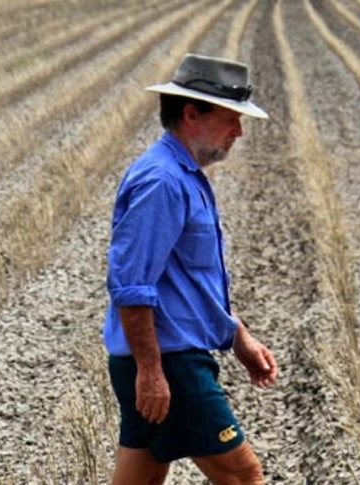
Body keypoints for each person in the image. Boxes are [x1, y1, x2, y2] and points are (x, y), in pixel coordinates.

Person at [103, 53, 278, 484]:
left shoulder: (183, 175)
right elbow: (131, 284)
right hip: (172, 363)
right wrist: (152, 371)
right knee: (244, 476)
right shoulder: (162, 182)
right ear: (191, 113)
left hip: (165, 359)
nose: (239, 130)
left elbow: (189, 283)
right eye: (231, 118)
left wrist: (238, 336)